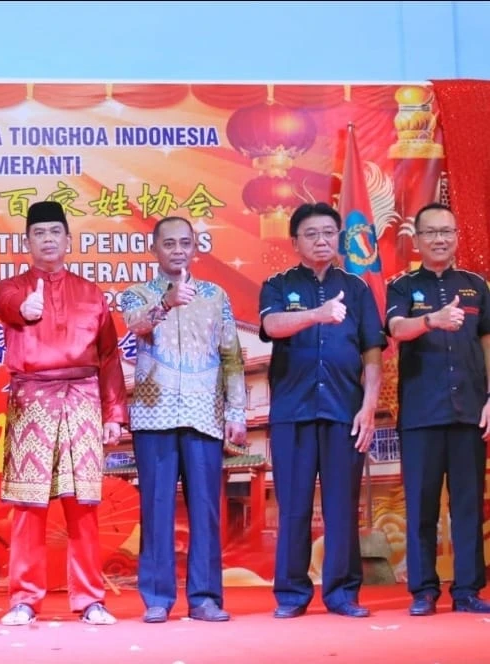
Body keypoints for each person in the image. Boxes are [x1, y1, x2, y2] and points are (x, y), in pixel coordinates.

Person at [0, 201, 126, 627]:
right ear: (27, 242)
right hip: (32, 399)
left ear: (68, 239)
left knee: (82, 505)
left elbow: (108, 356)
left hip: (83, 398)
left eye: (55, 232)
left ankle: (90, 600)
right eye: (39, 233)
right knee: (29, 507)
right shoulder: (12, 288)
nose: (48, 239)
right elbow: (9, 306)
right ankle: (24, 600)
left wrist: (114, 413)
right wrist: (26, 310)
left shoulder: (91, 293)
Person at [259, 202, 385, 619]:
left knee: (341, 507)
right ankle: (291, 595)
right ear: (295, 241)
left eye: (329, 233)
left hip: (344, 411)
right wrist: (318, 314)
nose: (321, 241)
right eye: (311, 234)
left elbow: (372, 351)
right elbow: (272, 326)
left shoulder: (357, 288)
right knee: (293, 507)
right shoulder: (278, 285)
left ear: (339, 239)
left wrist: (369, 407)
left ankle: (342, 594)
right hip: (292, 411)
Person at [120, 216, 245, 623]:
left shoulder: (216, 296)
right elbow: (135, 325)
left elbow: (231, 356)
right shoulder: (137, 294)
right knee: (156, 509)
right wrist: (165, 303)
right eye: (169, 243)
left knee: (205, 509)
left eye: (184, 243)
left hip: (204, 414)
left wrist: (236, 412)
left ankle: (205, 597)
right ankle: (157, 597)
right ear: (154, 249)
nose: (177, 250)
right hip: (153, 415)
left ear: (195, 248)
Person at [385, 202, 490, 616]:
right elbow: (397, 329)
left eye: (447, 231)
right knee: (421, 505)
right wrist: (431, 320)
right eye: (431, 232)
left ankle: (467, 590)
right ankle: (424, 590)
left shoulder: (477, 285)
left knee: (468, 505)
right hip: (420, 413)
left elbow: (486, 343)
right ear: (417, 239)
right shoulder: (402, 286)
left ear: (457, 236)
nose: (440, 239)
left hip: (468, 412)